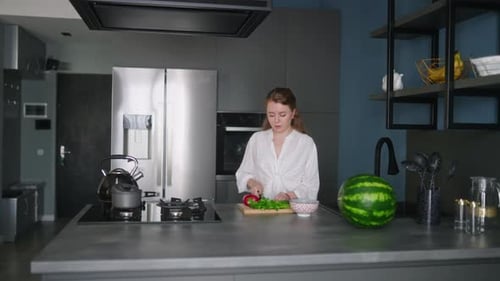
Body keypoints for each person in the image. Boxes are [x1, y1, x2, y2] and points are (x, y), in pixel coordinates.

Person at [236, 87, 320, 201]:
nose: (276, 120)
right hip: (262, 211)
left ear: (293, 113)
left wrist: (288, 195)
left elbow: (311, 185)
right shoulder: (257, 140)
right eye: (271, 115)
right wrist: (253, 183)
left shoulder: (306, 144)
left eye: (282, 115)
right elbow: (243, 173)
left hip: (294, 211)